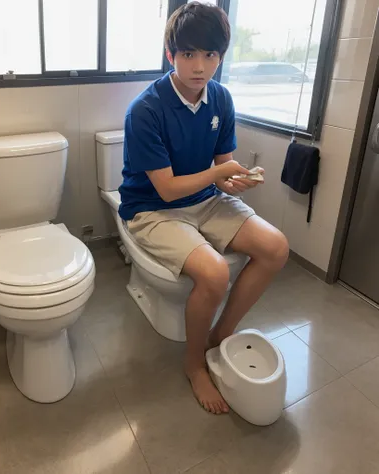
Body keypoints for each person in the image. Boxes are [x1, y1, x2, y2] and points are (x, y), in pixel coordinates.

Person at [118, 1, 289, 414]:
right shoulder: (145, 110)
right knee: (212, 272)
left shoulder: (221, 100)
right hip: (152, 209)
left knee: (276, 247)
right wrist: (221, 176)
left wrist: (239, 180)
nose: (199, 66)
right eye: (189, 54)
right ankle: (195, 365)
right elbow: (169, 189)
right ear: (170, 54)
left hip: (206, 200)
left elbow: (221, 172)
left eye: (210, 55)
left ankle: (218, 336)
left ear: (220, 57)